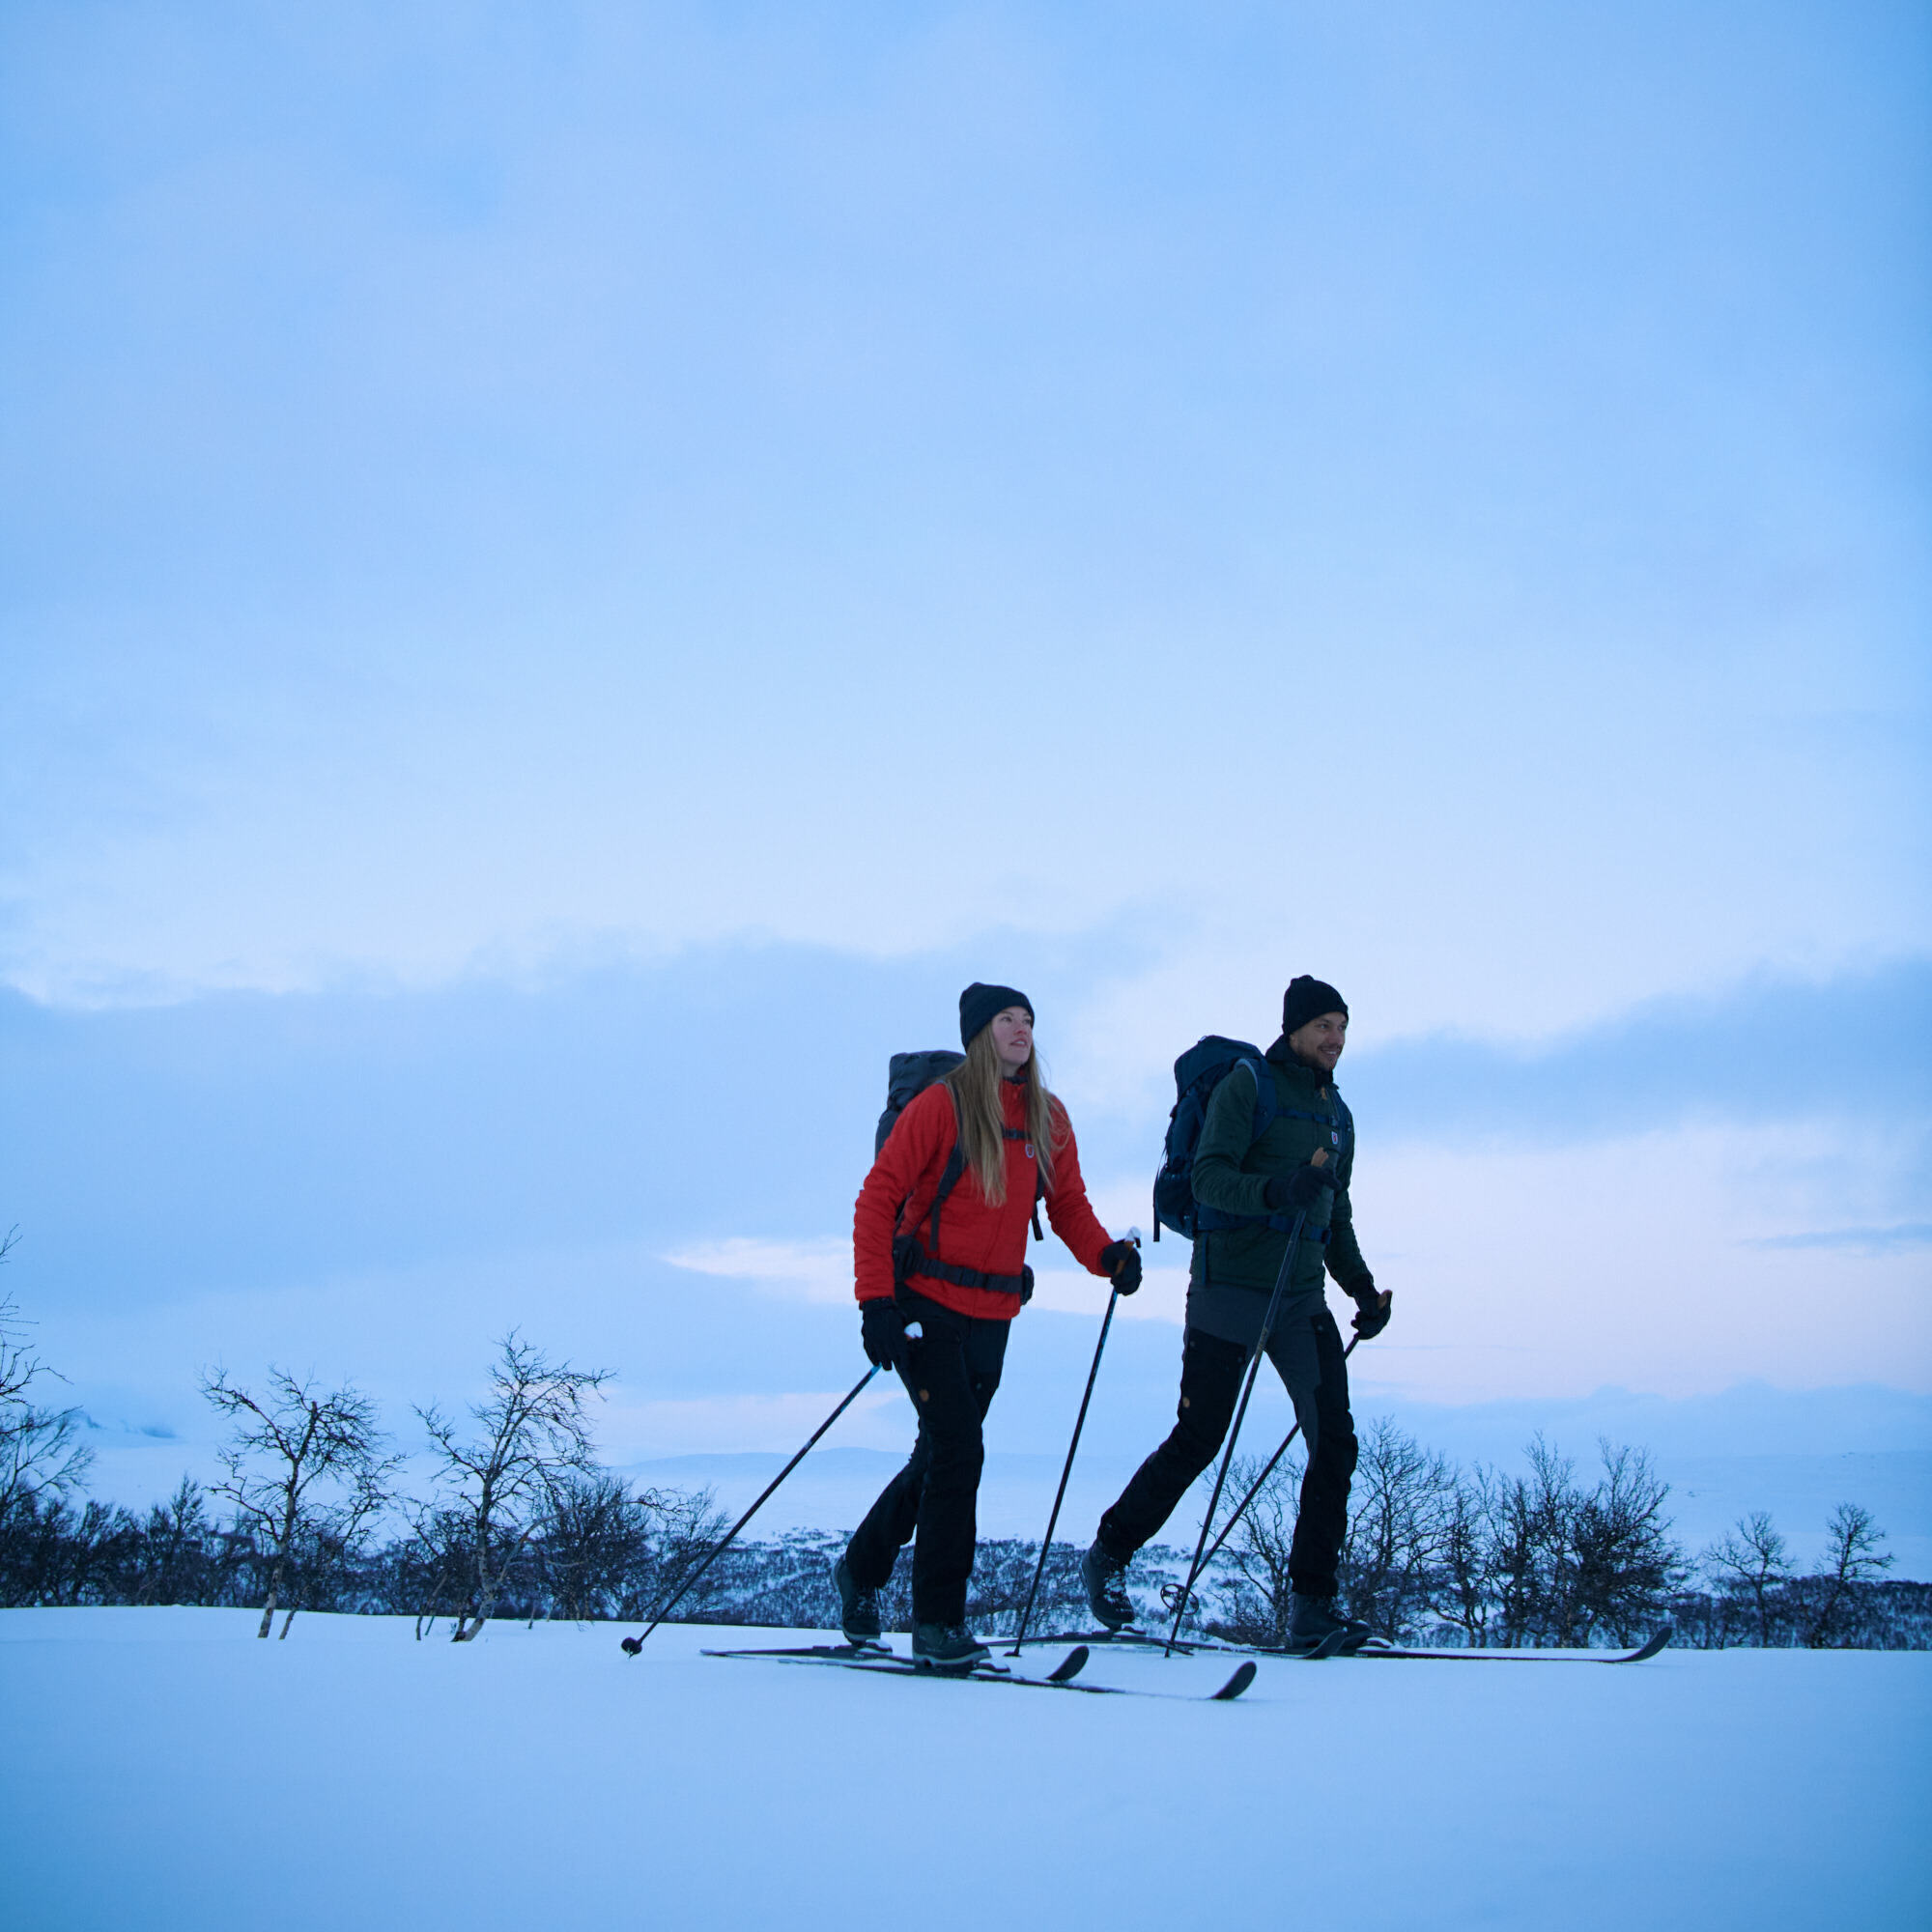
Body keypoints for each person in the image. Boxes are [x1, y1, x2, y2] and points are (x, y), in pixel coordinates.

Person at [836, 981, 1142, 1671]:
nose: (1021, 1029)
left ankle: (859, 1571)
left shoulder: (1047, 1116)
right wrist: (876, 1303)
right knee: (960, 1453)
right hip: (923, 1308)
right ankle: (938, 1624)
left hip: (993, 1315)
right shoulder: (941, 1107)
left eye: (1029, 1019)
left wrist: (1108, 1259)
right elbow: (877, 1197)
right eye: (1007, 1019)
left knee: (940, 1456)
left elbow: (1068, 1207)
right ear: (980, 1034)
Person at [1082, 975, 1392, 1651]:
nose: (1334, 1039)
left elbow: (1334, 1216)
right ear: (1293, 1030)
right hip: (1228, 1290)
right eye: (1323, 1027)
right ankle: (1107, 1554)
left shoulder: (1339, 1116)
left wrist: (1363, 1292)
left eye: (1342, 1027)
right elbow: (1208, 1179)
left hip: (1301, 1297)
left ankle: (1311, 1607)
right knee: (1198, 1440)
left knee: (1334, 1445)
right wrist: (1280, 1188)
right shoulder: (1249, 1085)